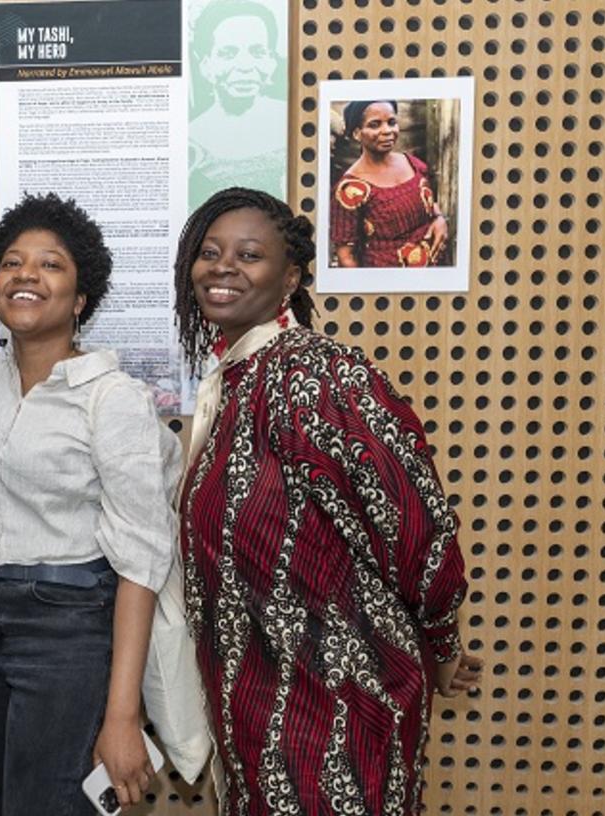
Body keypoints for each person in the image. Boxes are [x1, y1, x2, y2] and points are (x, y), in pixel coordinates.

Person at [173, 187, 482, 815]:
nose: (223, 266)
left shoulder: (316, 375)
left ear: (290, 277)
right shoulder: (234, 383)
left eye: (249, 254)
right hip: (262, 711)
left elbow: (414, 523)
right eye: (209, 252)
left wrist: (441, 642)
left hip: (338, 712)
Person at [0, 194, 180, 815]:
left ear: (82, 299)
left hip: (67, 628)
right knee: (12, 804)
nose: (25, 274)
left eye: (51, 265)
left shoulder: (114, 400)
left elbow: (141, 561)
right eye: (12, 262)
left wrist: (121, 715)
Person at [187, 0, 289, 203]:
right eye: (227, 53)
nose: (245, 66)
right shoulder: (191, 138)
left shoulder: (294, 121)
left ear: (272, 60)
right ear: (205, 65)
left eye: (258, 51)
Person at [328, 100, 449, 269]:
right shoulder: (350, 190)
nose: (387, 131)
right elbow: (346, 257)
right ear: (357, 133)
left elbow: (428, 201)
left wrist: (439, 218)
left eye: (391, 122)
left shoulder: (412, 163)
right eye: (375, 125)